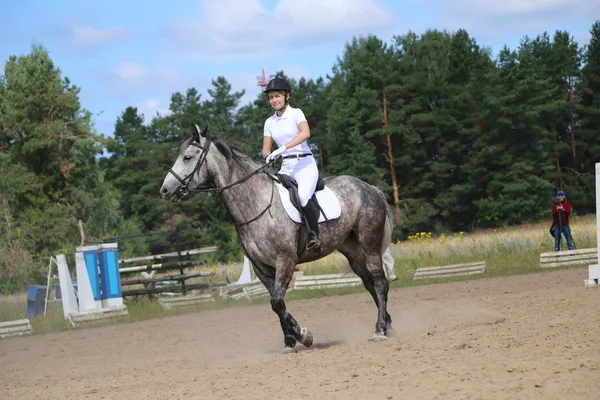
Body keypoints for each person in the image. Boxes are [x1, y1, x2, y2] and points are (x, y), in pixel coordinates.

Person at [262, 78, 321, 252]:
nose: (274, 100)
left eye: (277, 96)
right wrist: (268, 156)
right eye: (271, 97)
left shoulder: (296, 113)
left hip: (305, 165)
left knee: (302, 196)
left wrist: (282, 148)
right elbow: (265, 149)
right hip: (286, 167)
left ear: (287, 96)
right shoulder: (269, 122)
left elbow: (306, 133)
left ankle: (314, 235)